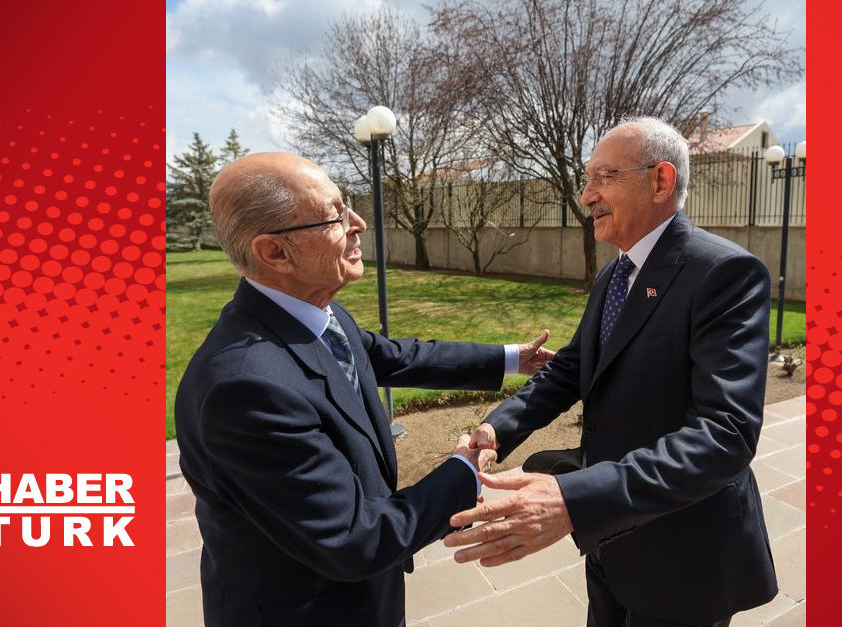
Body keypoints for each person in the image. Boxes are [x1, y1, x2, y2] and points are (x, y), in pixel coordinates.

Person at [174, 153, 554, 627]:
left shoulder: (311, 314)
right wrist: (465, 471)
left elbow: (394, 356)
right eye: (334, 215)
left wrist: (511, 358)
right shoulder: (245, 390)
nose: (358, 224)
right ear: (275, 253)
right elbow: (357, 540)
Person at [444, 117, 778, 627]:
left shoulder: (724, 273)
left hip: (684, 555)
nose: (587, 195)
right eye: (587, 179)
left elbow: (725, 436)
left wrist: (572, 500)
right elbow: (572, 369)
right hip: (609, 543)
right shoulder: (617, 272)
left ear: (661, 182)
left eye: (604, 177)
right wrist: (498, 427)